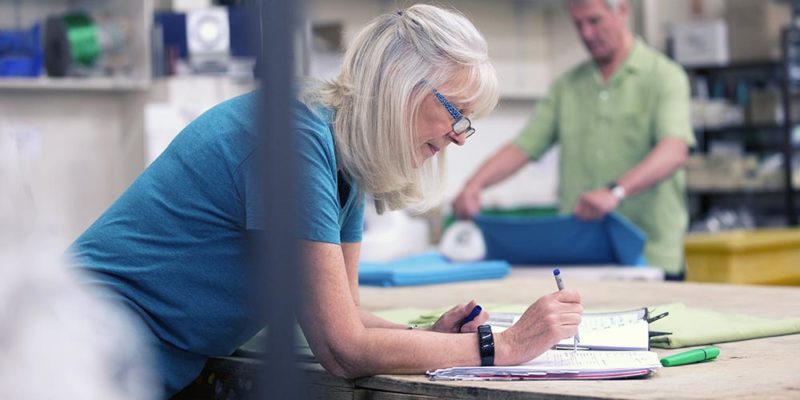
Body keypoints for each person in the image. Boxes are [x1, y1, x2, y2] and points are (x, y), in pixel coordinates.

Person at [67, 4, 582, 397]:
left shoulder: (345, 152)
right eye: (457, 112)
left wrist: (431, 334)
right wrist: (503, 348)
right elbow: (341, 349)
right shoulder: (293, 138)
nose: (461, 136)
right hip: (77, 356)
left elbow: (345, 315)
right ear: (401, 86)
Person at [453, 0, 695, 277]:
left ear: (623, 11)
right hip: (584, 261)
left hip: (651, 257)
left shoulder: (665, 77)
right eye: (578, 24)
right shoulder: (566, 87)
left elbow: (674, 150)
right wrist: (474, 185)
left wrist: (615, 191)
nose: (586, 34)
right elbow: (524, 146)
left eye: (594, 21)